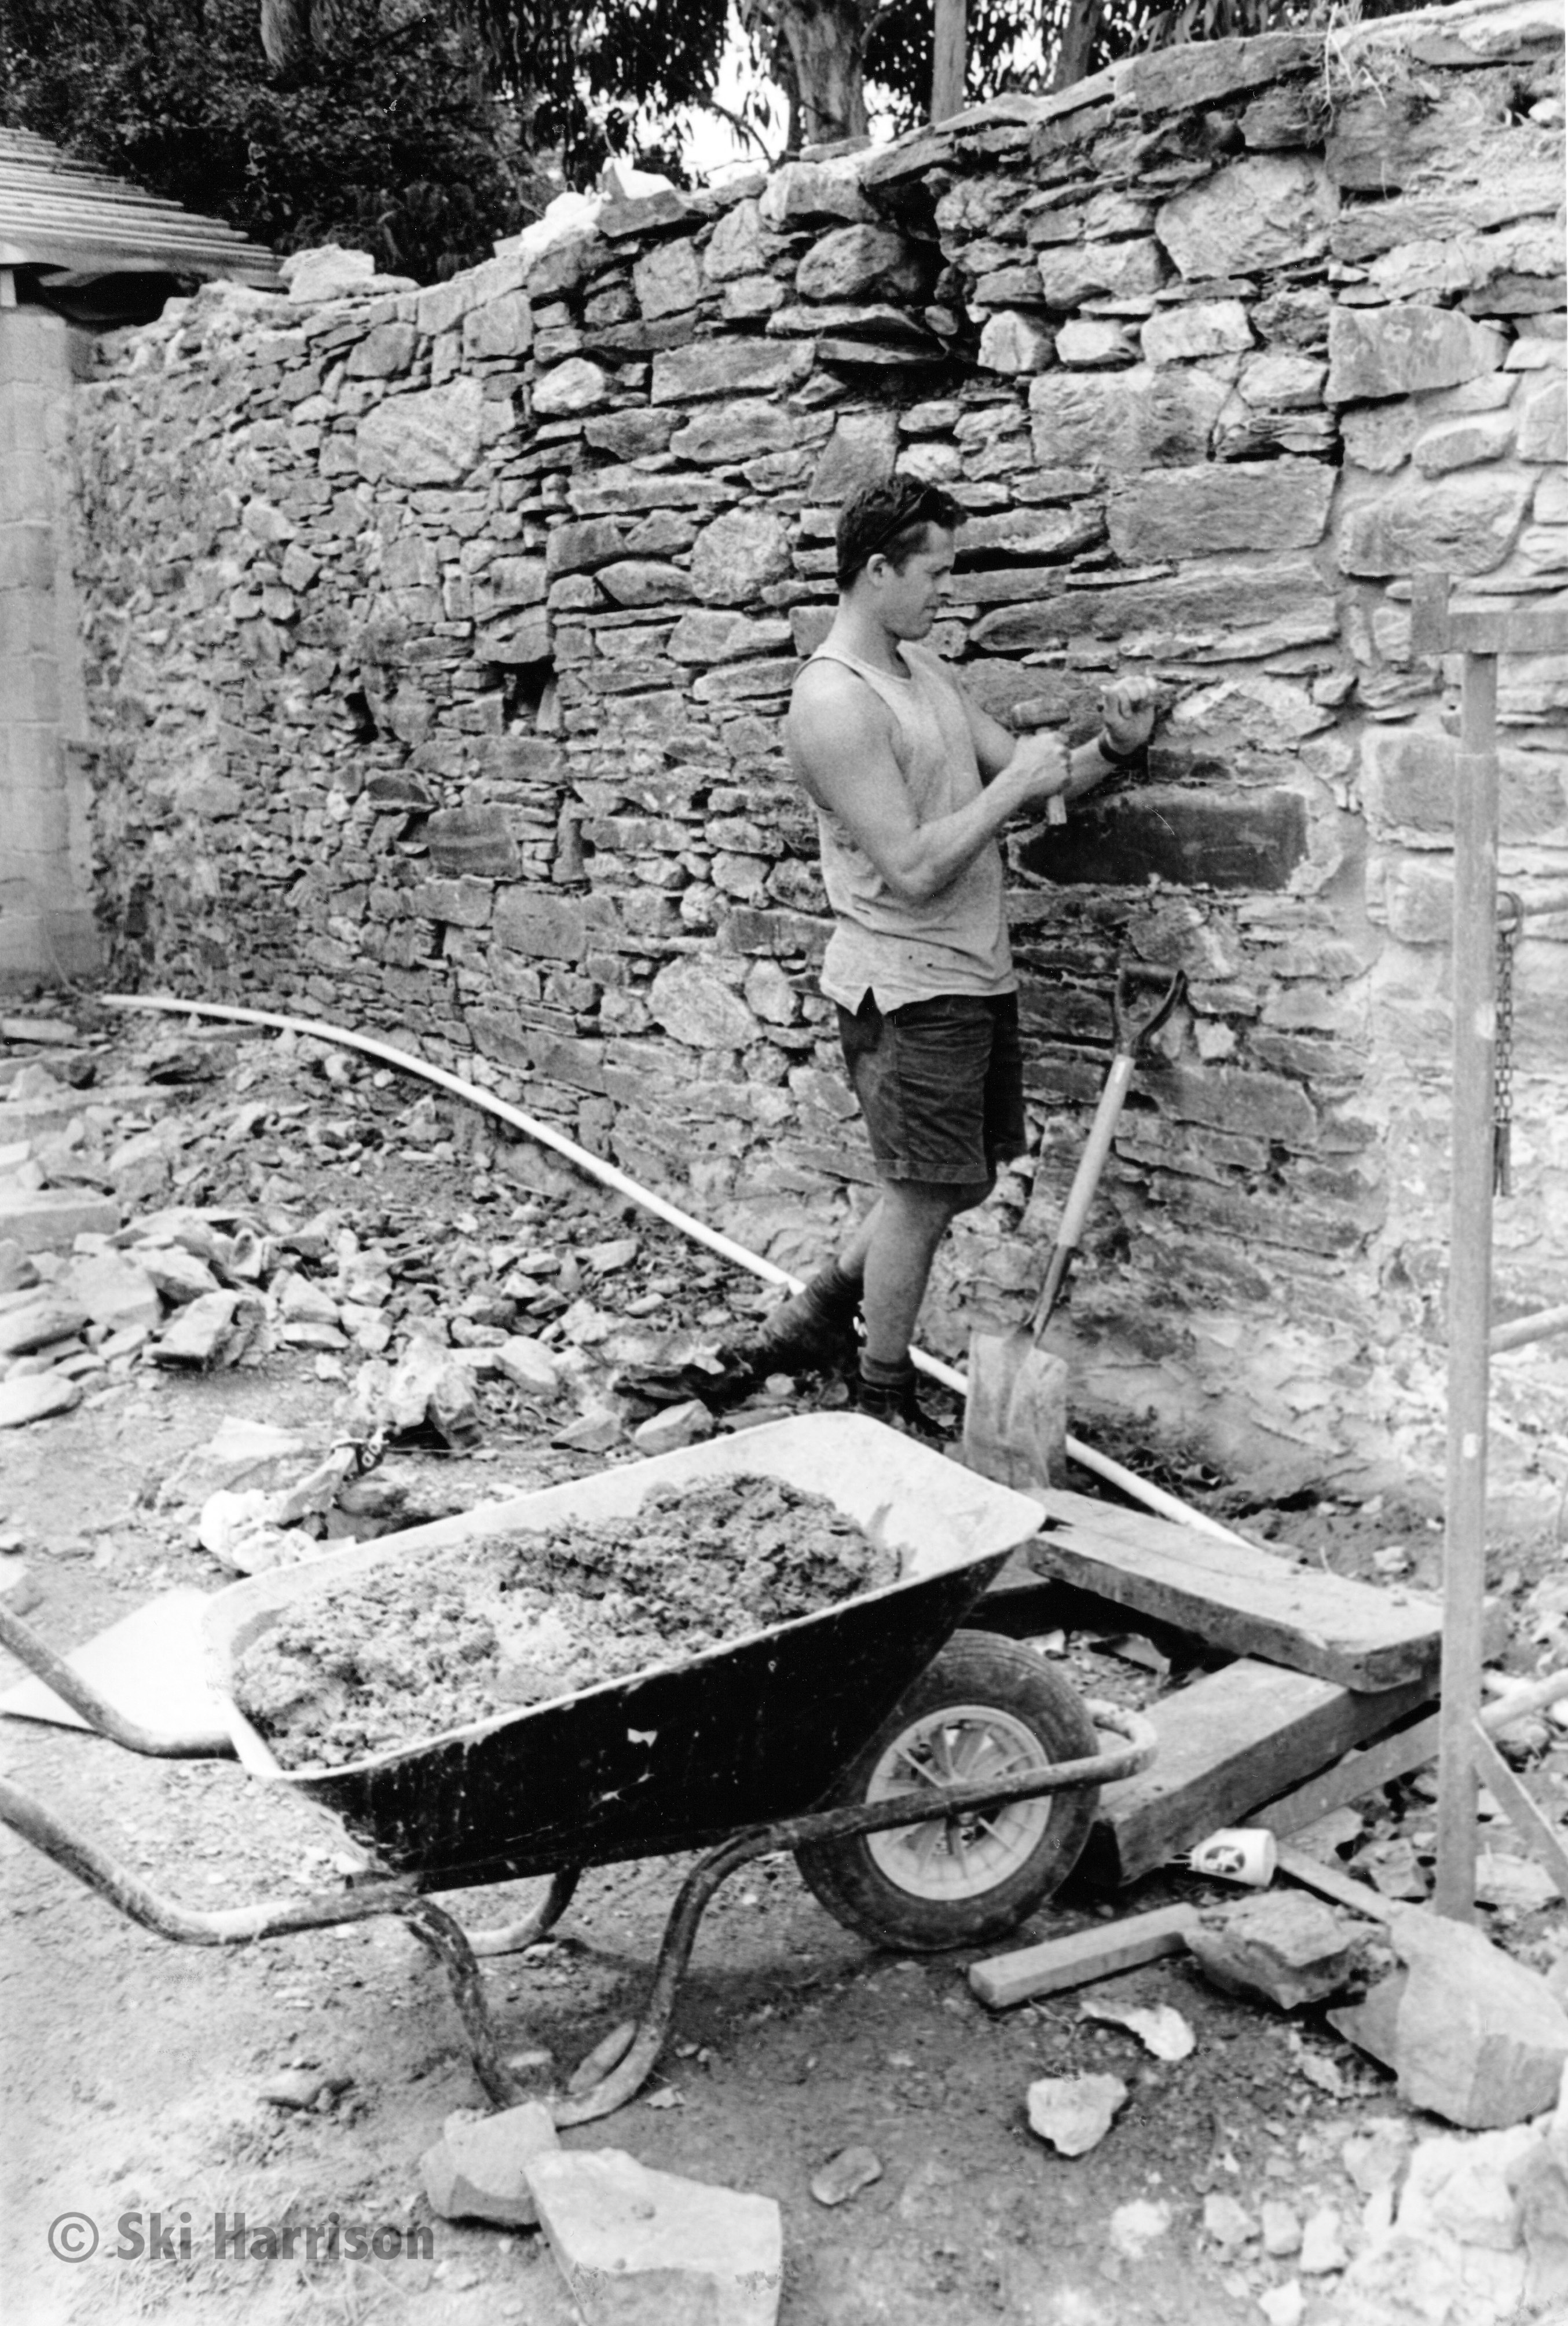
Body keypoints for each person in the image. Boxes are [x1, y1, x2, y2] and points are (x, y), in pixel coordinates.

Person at [721, 474, 1159, 1435]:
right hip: (905, 982)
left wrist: (1115, 752)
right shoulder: (833, 703)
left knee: (961, 1176)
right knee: (922, 1193)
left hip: (970, 969)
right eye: (932, 574)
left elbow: (1032, 776)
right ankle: (880, 1391)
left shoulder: (928, 675)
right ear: (875, 571)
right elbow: (914, 867)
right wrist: (1014, 798)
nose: (943, 594)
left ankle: (820, 1314)